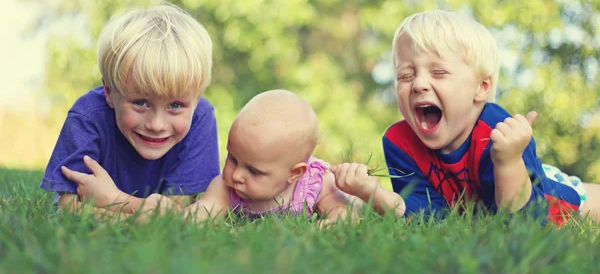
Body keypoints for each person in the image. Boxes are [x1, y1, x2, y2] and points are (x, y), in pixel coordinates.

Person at [357, 9, 600, 226]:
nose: (419, 84)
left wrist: (508, 161)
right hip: (479, 207)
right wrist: (375, 194)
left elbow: (526, 220)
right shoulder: (400, 143)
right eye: (405, 75)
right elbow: (426, 215)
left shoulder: (498, 130)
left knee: (589, 203)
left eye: (439, 72)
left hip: (543, 191)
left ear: (481, 87)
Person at [84, 89, 405, 224]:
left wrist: (335, 220)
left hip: (360, 192)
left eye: (253, 170)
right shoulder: (225, 187)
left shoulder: (316, 184)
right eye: (232, 158)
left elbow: (346, 218)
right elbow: (201, 217)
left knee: (383, 206)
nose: (237, 174)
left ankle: (368, 189)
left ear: (294, 173)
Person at [40, 4, 220, 217]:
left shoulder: (201, 117)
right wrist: (143, 216)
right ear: (109, 92)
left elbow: (174, 211)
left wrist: (113, 199)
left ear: (197, 99)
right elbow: (68, 206)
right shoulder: (88, 116)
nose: (157, 125)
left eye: (175, 106)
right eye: (141, 102)